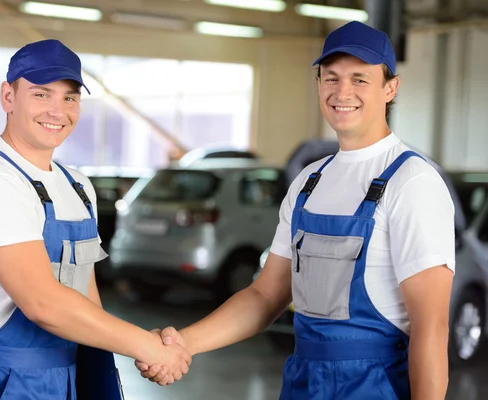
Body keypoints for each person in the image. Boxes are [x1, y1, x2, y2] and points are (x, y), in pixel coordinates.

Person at [138, 21, 455, 399]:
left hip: (375, 385)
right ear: (319, 83)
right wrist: (184, 343)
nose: (342, 92)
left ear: (390, 87)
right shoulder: (310, 181)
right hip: (304, 382)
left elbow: (431, 330)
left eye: (359, 79)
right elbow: (264, 297)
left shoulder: (413, 181)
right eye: (331, 77)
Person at [0, 39, 191, 400]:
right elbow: (44, 304)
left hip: (71, 373)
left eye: (70, 97)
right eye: (42, 94)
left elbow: (84, 296)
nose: (58, 111)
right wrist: (146, 347)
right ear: (8, 97)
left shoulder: (77, 185)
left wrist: (137, 350)